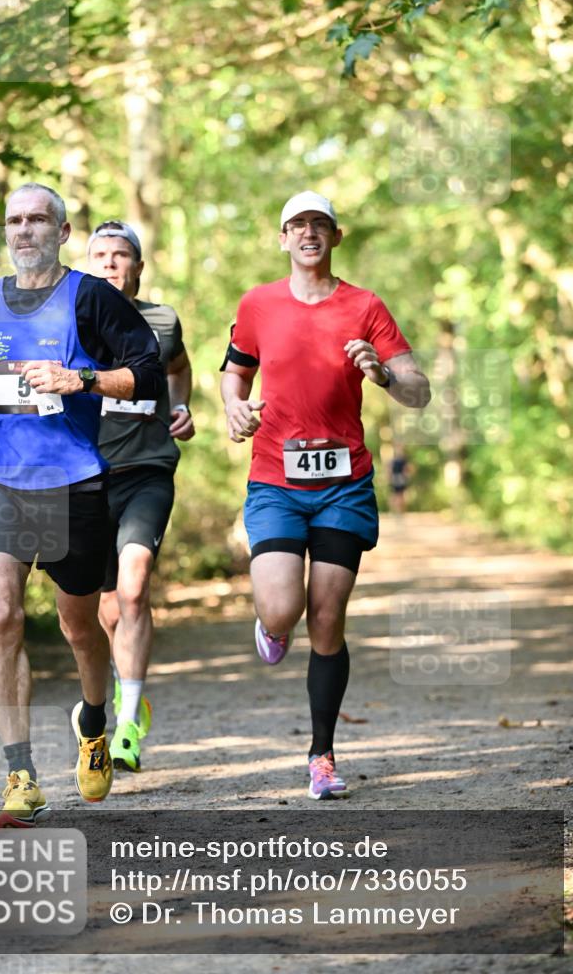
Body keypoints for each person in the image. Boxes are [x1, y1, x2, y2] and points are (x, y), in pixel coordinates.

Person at [0, 183, 163, 827]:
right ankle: (21, 775)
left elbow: (147, 371)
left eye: (38, 219)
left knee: (78, 627)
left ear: (62, 231)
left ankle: (94, 725)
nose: (24, 230)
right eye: (14, 220)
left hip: (75, 482)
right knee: (1, 614)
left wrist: (84, 379)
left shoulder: (91, 296)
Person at [220, 191, 430, 800]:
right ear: (282, 238)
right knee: (282, 610)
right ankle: (272, 623)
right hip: (276, 482)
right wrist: (235, 406)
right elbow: (235, 369)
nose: (308, 233)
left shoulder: (365, 306)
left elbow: (419, 391)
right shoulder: (257, 304)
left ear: (336, 236)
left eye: (319, 224)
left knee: (328, 620)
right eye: (297, 225)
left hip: (343, 486)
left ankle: (322, 756)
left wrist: (383, 373)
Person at [86, 220, 195, 772]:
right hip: (86, 476)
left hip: (148, 469)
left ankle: (127, 722)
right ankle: (127, 691)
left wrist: (181, 406)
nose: (109, 262)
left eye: (120, 254)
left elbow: (179, 367)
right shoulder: (70, 322)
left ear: (138, 266)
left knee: (134, 588)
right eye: (100, 254)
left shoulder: (162, 319)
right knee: (106, 607)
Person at [388, 443, 413, 514]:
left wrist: (407, 475)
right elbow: (389, 469)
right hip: (397, 478)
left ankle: (400, 511)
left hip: (400, 478)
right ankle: (396, 511)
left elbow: (409, 468)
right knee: (396, 495)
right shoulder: (394, 460)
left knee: (400, 495)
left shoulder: (403, 460)